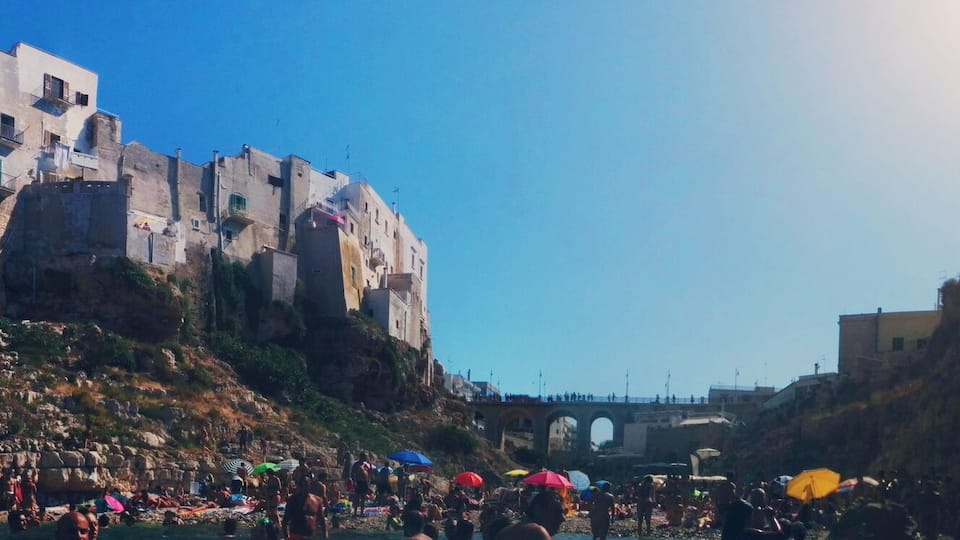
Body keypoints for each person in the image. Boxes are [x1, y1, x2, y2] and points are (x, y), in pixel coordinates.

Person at [283, 475, 327, 540]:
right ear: (298, 486)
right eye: (302, 486)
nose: (304, 488)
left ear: (310, 486)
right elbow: (285, 521)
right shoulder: (292, 500)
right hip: (296, 535)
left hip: (312, 536)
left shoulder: (317, 500)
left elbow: (322, 519)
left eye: (306, 485)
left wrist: (325, 535)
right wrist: (287, 536)